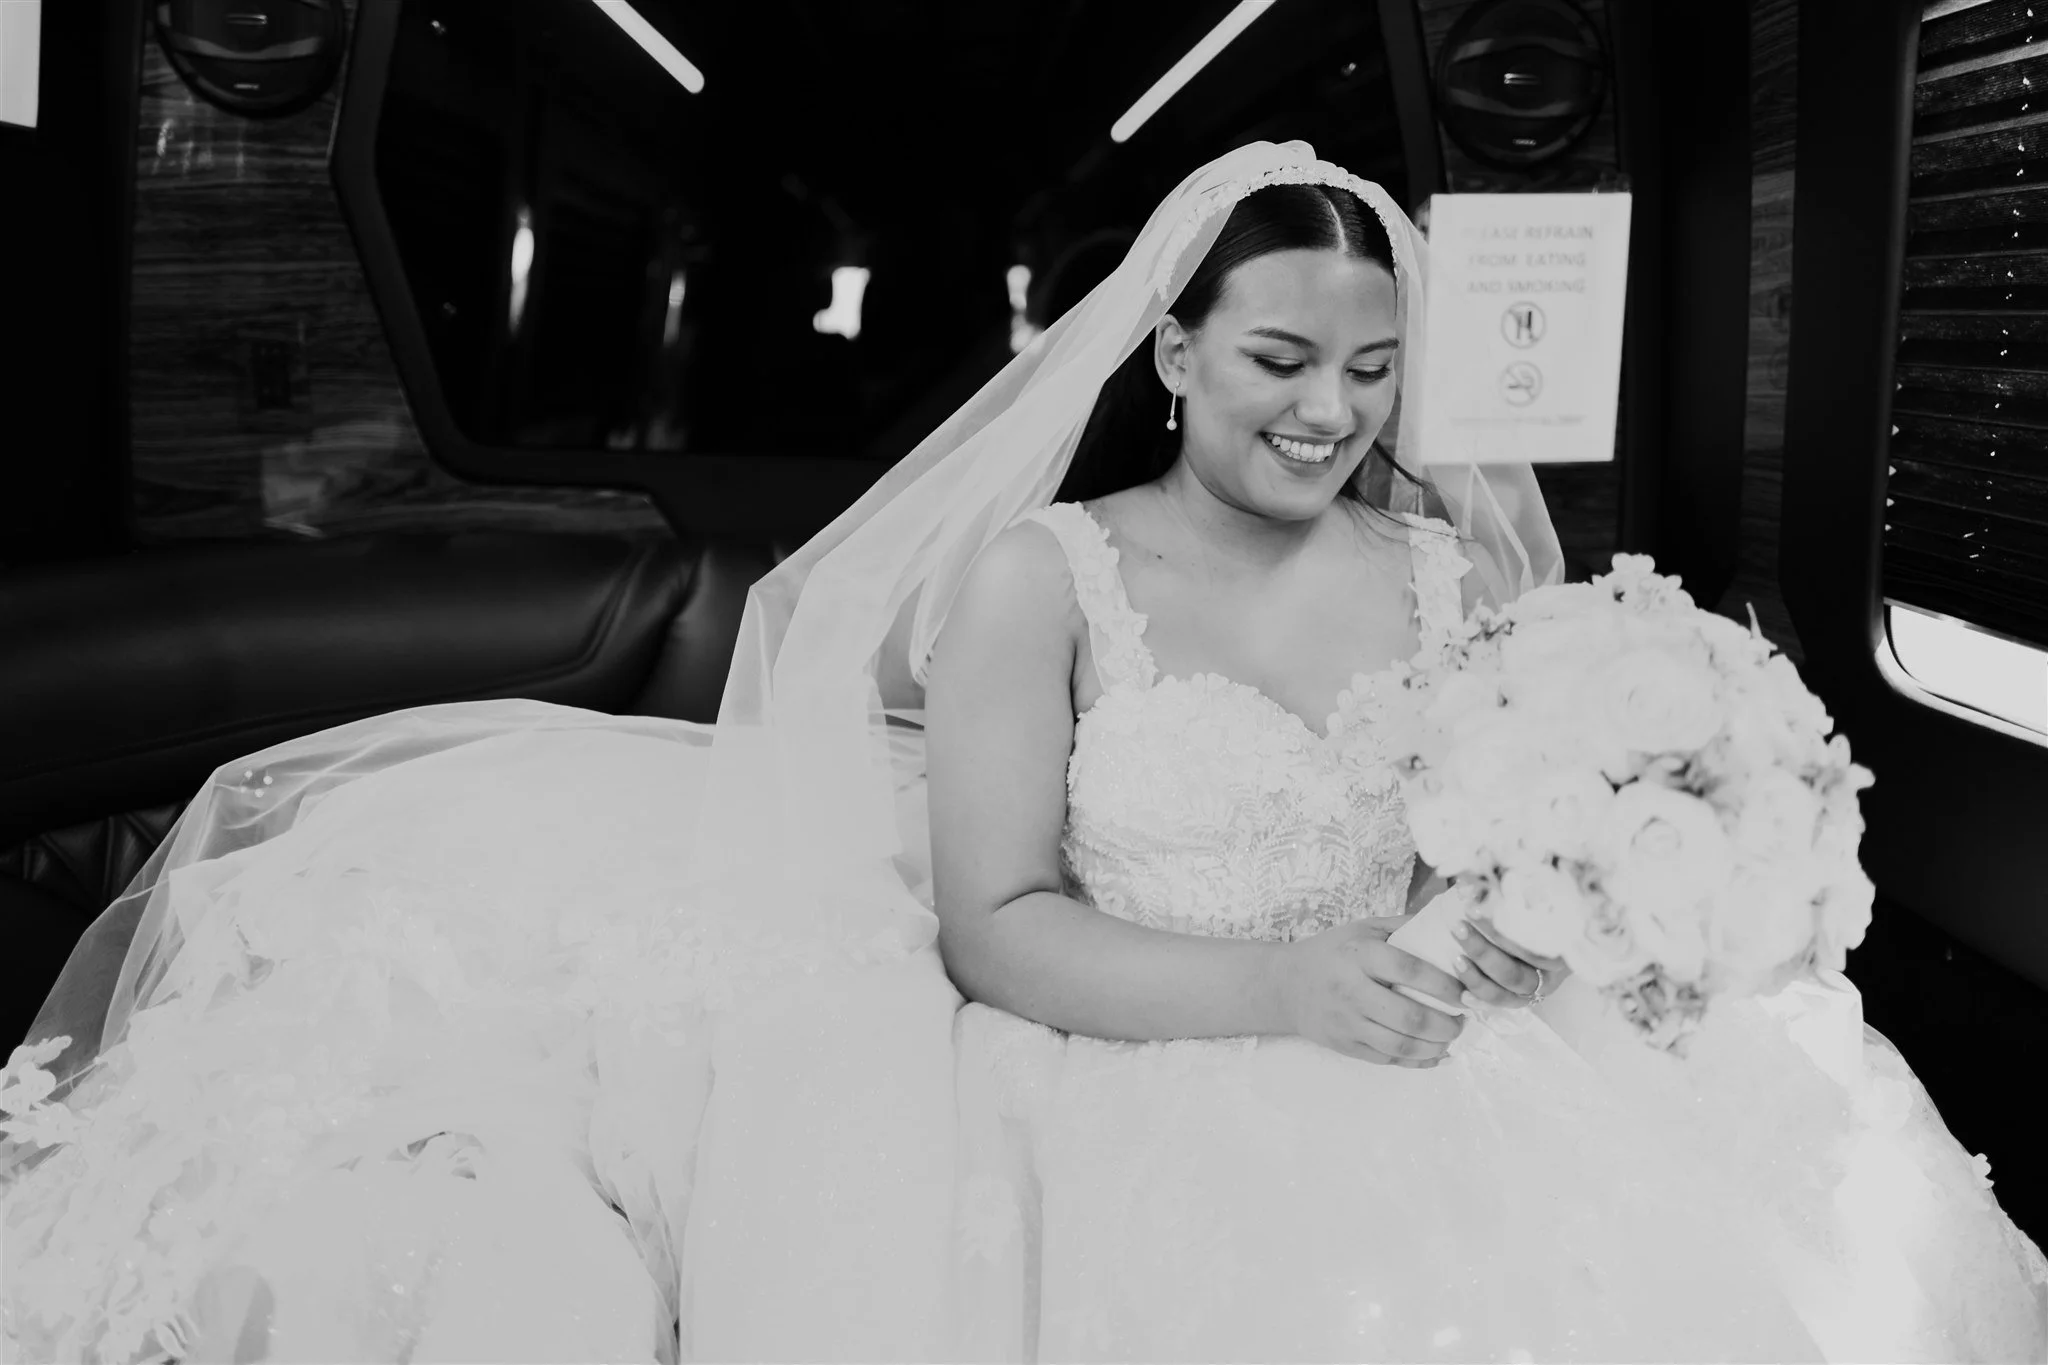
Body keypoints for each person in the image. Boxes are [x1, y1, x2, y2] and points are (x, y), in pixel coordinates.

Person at [3, 143, 2043, 1365]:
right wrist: (1287, 991)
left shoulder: (1449, 574)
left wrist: (1530, 917)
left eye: (1365, 367)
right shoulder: (1041, 579)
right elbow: (992, 924)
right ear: (1167, 355)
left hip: (1420, 1030)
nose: (1324, 409)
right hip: (1127, 1036)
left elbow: (1471, 837)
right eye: (1272, 361)